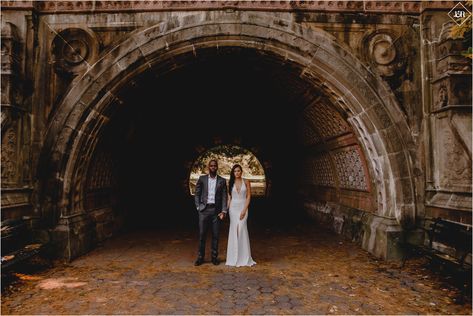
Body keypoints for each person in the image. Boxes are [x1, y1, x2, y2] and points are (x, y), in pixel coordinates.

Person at [194, 159, 228, 266]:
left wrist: (223, 211)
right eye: (211, 165)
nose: (213, 167)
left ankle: (214, 257)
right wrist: (198, 207)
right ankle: (200, 257)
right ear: (209, 167)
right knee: (202, 234)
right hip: (204, 211)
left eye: (215, 165)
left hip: (216, 212)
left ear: (217, 167)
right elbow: (197, 194)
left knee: (215, 235)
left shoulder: (222, 181)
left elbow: (224, 197)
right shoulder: (202, 179)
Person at [225, 164, 256, 267]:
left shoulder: (246, 181)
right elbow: (229, 198)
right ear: (233, 173)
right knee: (235, 230)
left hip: (243, 207)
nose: (237, 173)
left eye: (238, 171)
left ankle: (244, 257)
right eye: (235, 171)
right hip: (233, 209)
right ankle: (233, 257)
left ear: (241, 172)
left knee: (242, 228)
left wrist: (244, 210)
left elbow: (248, 197)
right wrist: (225, 210)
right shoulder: (230, 182)